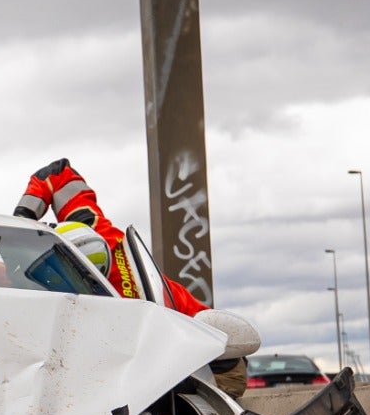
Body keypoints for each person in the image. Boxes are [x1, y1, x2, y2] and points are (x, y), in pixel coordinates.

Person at [14, 159, 247, 397]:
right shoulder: (92, 232)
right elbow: (59, 172)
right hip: (163, 359)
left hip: (217, 362)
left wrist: (21, 220)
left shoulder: (115, 302)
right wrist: (23, 218)